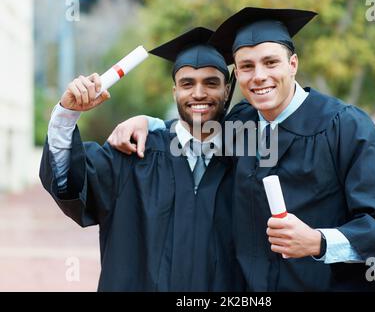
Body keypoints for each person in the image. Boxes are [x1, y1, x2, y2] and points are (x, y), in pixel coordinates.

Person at [107, 7, 375, 291]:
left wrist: (318, 242)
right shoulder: (241, 123)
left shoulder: (343, 126)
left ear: (293, 64)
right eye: (247, 66)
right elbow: (195, 131)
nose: (259, 76)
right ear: (237, 74)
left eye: (270, 62)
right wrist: (149, 122)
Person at [39, 27, 244, 291]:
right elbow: (68, 182)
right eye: (187, 83)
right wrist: (66, 115)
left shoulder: (243, 160)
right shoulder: (133, 154)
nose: (199, 93)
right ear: (174, 92)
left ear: (227, 91)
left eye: (211, 83)